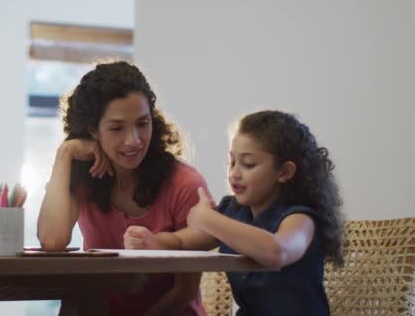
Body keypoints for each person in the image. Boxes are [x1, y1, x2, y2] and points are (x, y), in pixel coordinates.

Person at [37, 61, 215, 316]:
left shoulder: (184, 183)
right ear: (92, 130)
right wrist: (65, 153)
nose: (133, 140)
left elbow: (184, 292)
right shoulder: (83, 178)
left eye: (142, 124)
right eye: (117, 128)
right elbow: (52, 241)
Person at [185, 110, 344, 315]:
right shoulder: (233, 211)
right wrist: (153, 241)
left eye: (248, 164)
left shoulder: (301, 220)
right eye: (232, 162)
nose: (234, 173)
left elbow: (277, 252)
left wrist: (208, 219)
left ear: (284, 172)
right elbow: (183, 242)